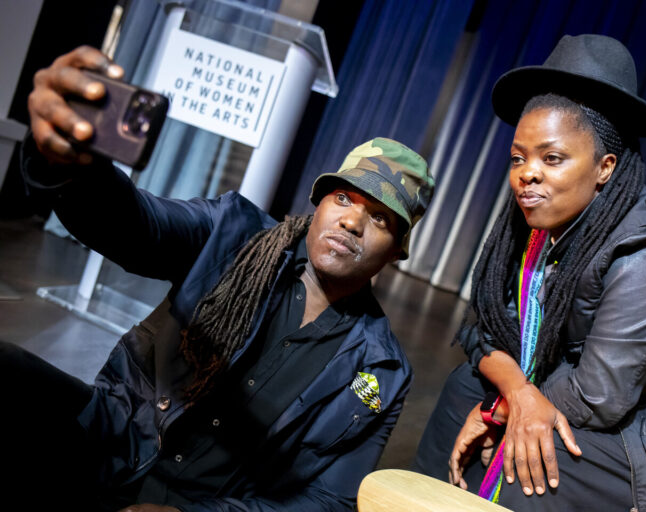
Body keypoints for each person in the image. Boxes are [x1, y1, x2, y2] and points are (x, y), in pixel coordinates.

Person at [5, 45, 434, 511]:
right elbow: (134, 226)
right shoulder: (234, 233)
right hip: (112, 440)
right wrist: (68, 163)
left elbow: (324, 501)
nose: (351, 222)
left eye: (380, 218)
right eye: (344, 199)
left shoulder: (383, 371)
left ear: (396, 252)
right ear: (320, 203)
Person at [413, 34, 646, 511]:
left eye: (552, 158)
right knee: (464, 389)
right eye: (518, 157)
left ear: (605, 167)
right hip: (630, 408)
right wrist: (514, 393)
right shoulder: (539, 229)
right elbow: (484, 329)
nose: (527, 174)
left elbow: (599, 395)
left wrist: (504, 411)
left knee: (538, 455)